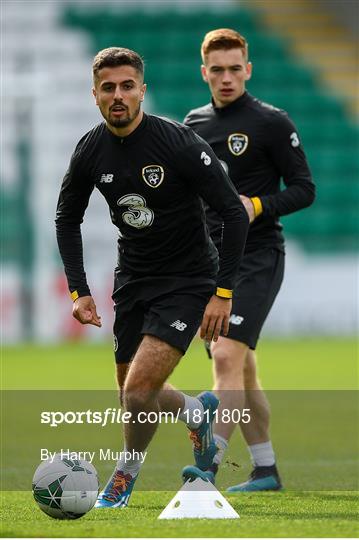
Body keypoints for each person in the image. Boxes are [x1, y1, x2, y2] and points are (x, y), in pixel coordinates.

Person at [55, 47, 249, 508]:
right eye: (108, 88)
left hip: (188, 280)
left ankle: (125, 476)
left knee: (139, 390)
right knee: (131, 395)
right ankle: (195, 411)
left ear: (142, 89)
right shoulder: (89, 149)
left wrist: (222, 294)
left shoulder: (177, 143)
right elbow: (67, 217)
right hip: (134, 279)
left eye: (127, 86)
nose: (118, 95)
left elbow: (232, 214)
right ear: (95, 95)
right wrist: (79, 290)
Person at [182, 29, 315, 491]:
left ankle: (209, 468)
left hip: (259, 255)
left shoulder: (272, 122)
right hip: (213, 262)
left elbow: (304, 189)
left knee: (226, 356)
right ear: (204, 73)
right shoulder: (193, 125)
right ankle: (265, 470)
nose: (226, 78)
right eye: (216, 70)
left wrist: (256, 205)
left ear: (248, 70)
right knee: (243, 368)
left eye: (234, 68)